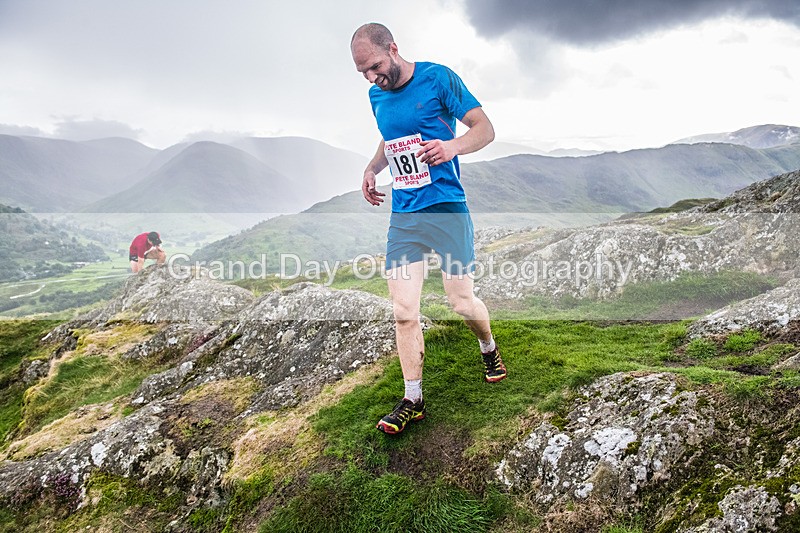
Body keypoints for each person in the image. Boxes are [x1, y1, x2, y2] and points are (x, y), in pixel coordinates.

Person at [350, 23, 506, 435]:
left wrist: (451, 147)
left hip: (447, 210)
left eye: (376, 66)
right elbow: (390, 139)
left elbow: (485, 129)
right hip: (405, 216)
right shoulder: (375, 94)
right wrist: (371, 169)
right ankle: (412, 398)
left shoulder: (438, 78)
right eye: (363, 72)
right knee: (404, 312)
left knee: (461, 302)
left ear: (394, 49)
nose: (371, 77)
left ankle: (487, 346)